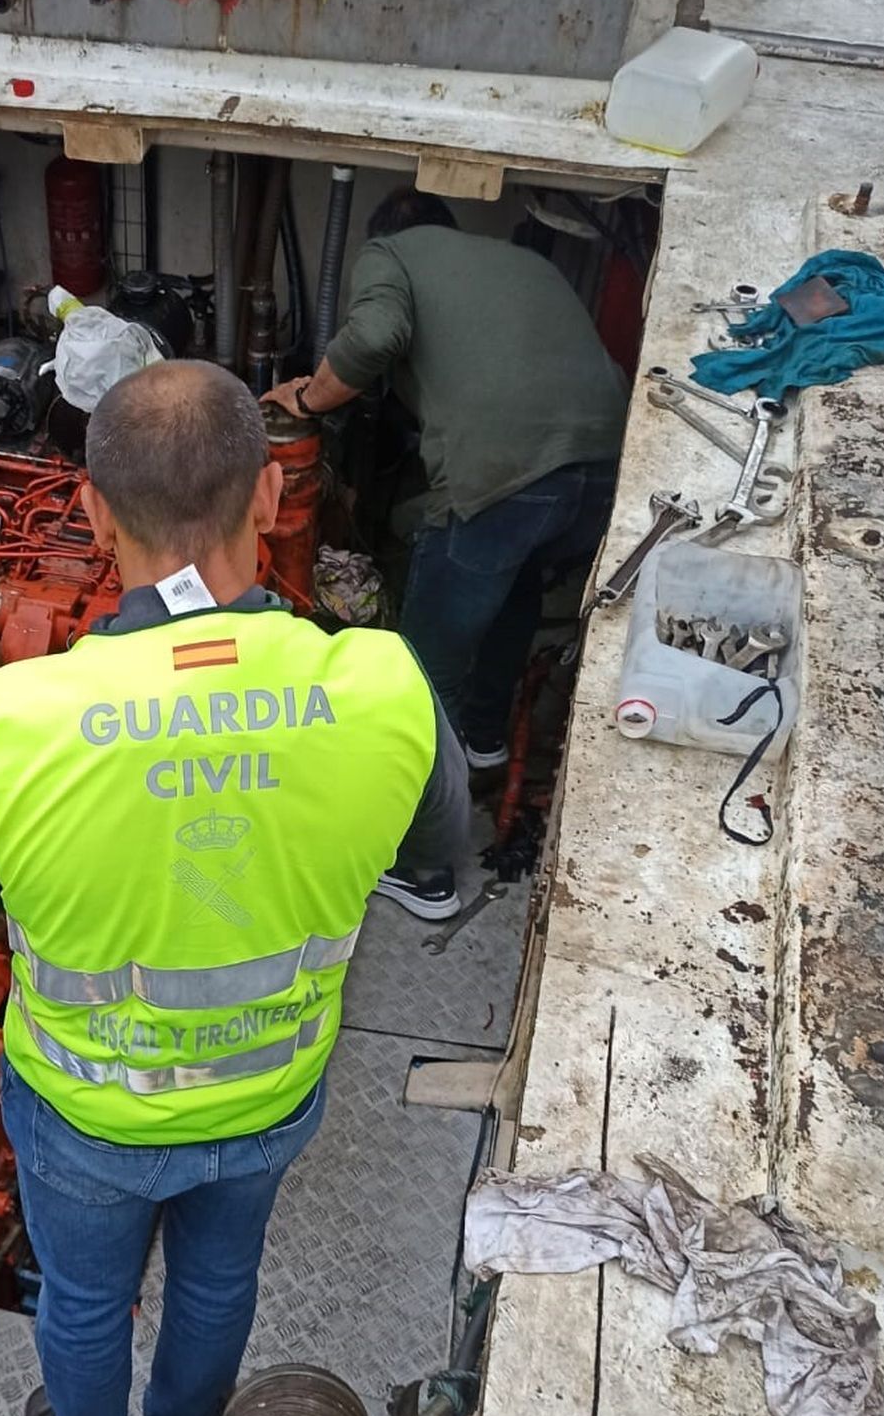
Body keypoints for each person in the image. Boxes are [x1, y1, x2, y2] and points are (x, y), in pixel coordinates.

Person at [0, 360, 468, 1416]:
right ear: (269, 497)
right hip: (268, 1091)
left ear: (93, 514)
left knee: (86, 1301)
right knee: (215, 1281)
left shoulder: (18, 719)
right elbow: (438, 862)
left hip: (86, 1111)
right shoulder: (383, 687)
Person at [265, 189, 627, 921]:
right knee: (515, 588)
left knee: (418, 676)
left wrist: (307, 400)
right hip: (603, 473)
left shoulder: (392, 253)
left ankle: (421, 869)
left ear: (389, 235)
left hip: (505, 476)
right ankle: (485, 744)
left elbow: (373, 336)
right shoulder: (521, 262)